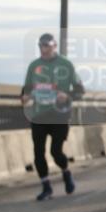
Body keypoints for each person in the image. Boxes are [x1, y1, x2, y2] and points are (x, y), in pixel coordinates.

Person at [22, 32, 84, 201]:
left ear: (54, 46)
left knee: (56, 151)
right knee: (38, 153)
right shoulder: (34, 65)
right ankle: (46, 187)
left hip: (60, 116)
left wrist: (67, 95)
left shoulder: (66, 64)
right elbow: (26, 88)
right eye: (41, 46)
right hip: (39, 115)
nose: (44, 49)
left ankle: (66, 172)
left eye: (47, 45)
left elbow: (80, 91)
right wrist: (25, 96)